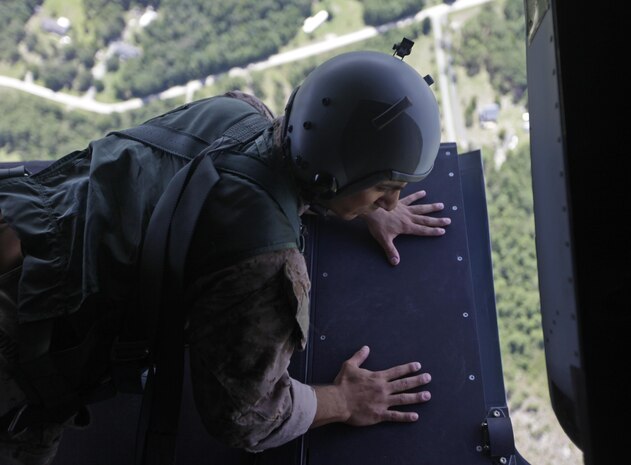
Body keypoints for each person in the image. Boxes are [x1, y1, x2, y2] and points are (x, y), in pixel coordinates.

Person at [0, 48, 449, 464]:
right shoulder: (266, 267)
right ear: (339, 175)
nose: (392, 203)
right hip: (19, 358)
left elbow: (252, 169)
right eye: (385, 189)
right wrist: (343, 401)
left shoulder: (236, 113)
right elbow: (247, 418)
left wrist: (358, 200)